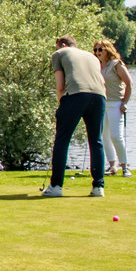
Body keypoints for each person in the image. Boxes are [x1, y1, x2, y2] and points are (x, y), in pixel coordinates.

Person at [42, 34, 107, 198]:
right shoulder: (92, 57)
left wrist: (61, 103)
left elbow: (60, 85)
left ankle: (56, 186)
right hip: (99, 97)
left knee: (62, 139)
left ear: (62, 44)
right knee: (96, 140)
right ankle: (98, 187)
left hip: (76, 95)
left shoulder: (59, 53)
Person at [93, 38, 134, 177]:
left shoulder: (116, 64)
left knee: (116, 136)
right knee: (104, 136)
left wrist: (125, 102)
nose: (97, 52)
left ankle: (124, 167)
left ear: (107, 50)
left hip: (116, 104)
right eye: (96, 50)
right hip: (101, 104)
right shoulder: (97, 66)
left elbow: (129, 83)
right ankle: (112, 166)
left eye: (100, 49)